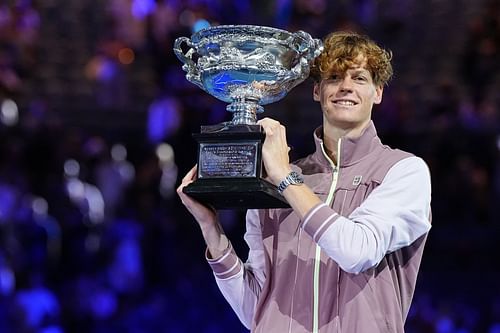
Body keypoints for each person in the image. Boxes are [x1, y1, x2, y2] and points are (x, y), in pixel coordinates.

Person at [177, 31, 432, 333]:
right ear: (317, 91)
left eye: (359, 78)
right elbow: (254, 310)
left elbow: (357, 251)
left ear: (378, 92)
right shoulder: (277, 182)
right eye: (334, 77)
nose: (346, 87)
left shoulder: (403, 171)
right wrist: (211, 229)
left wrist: (285, 179)